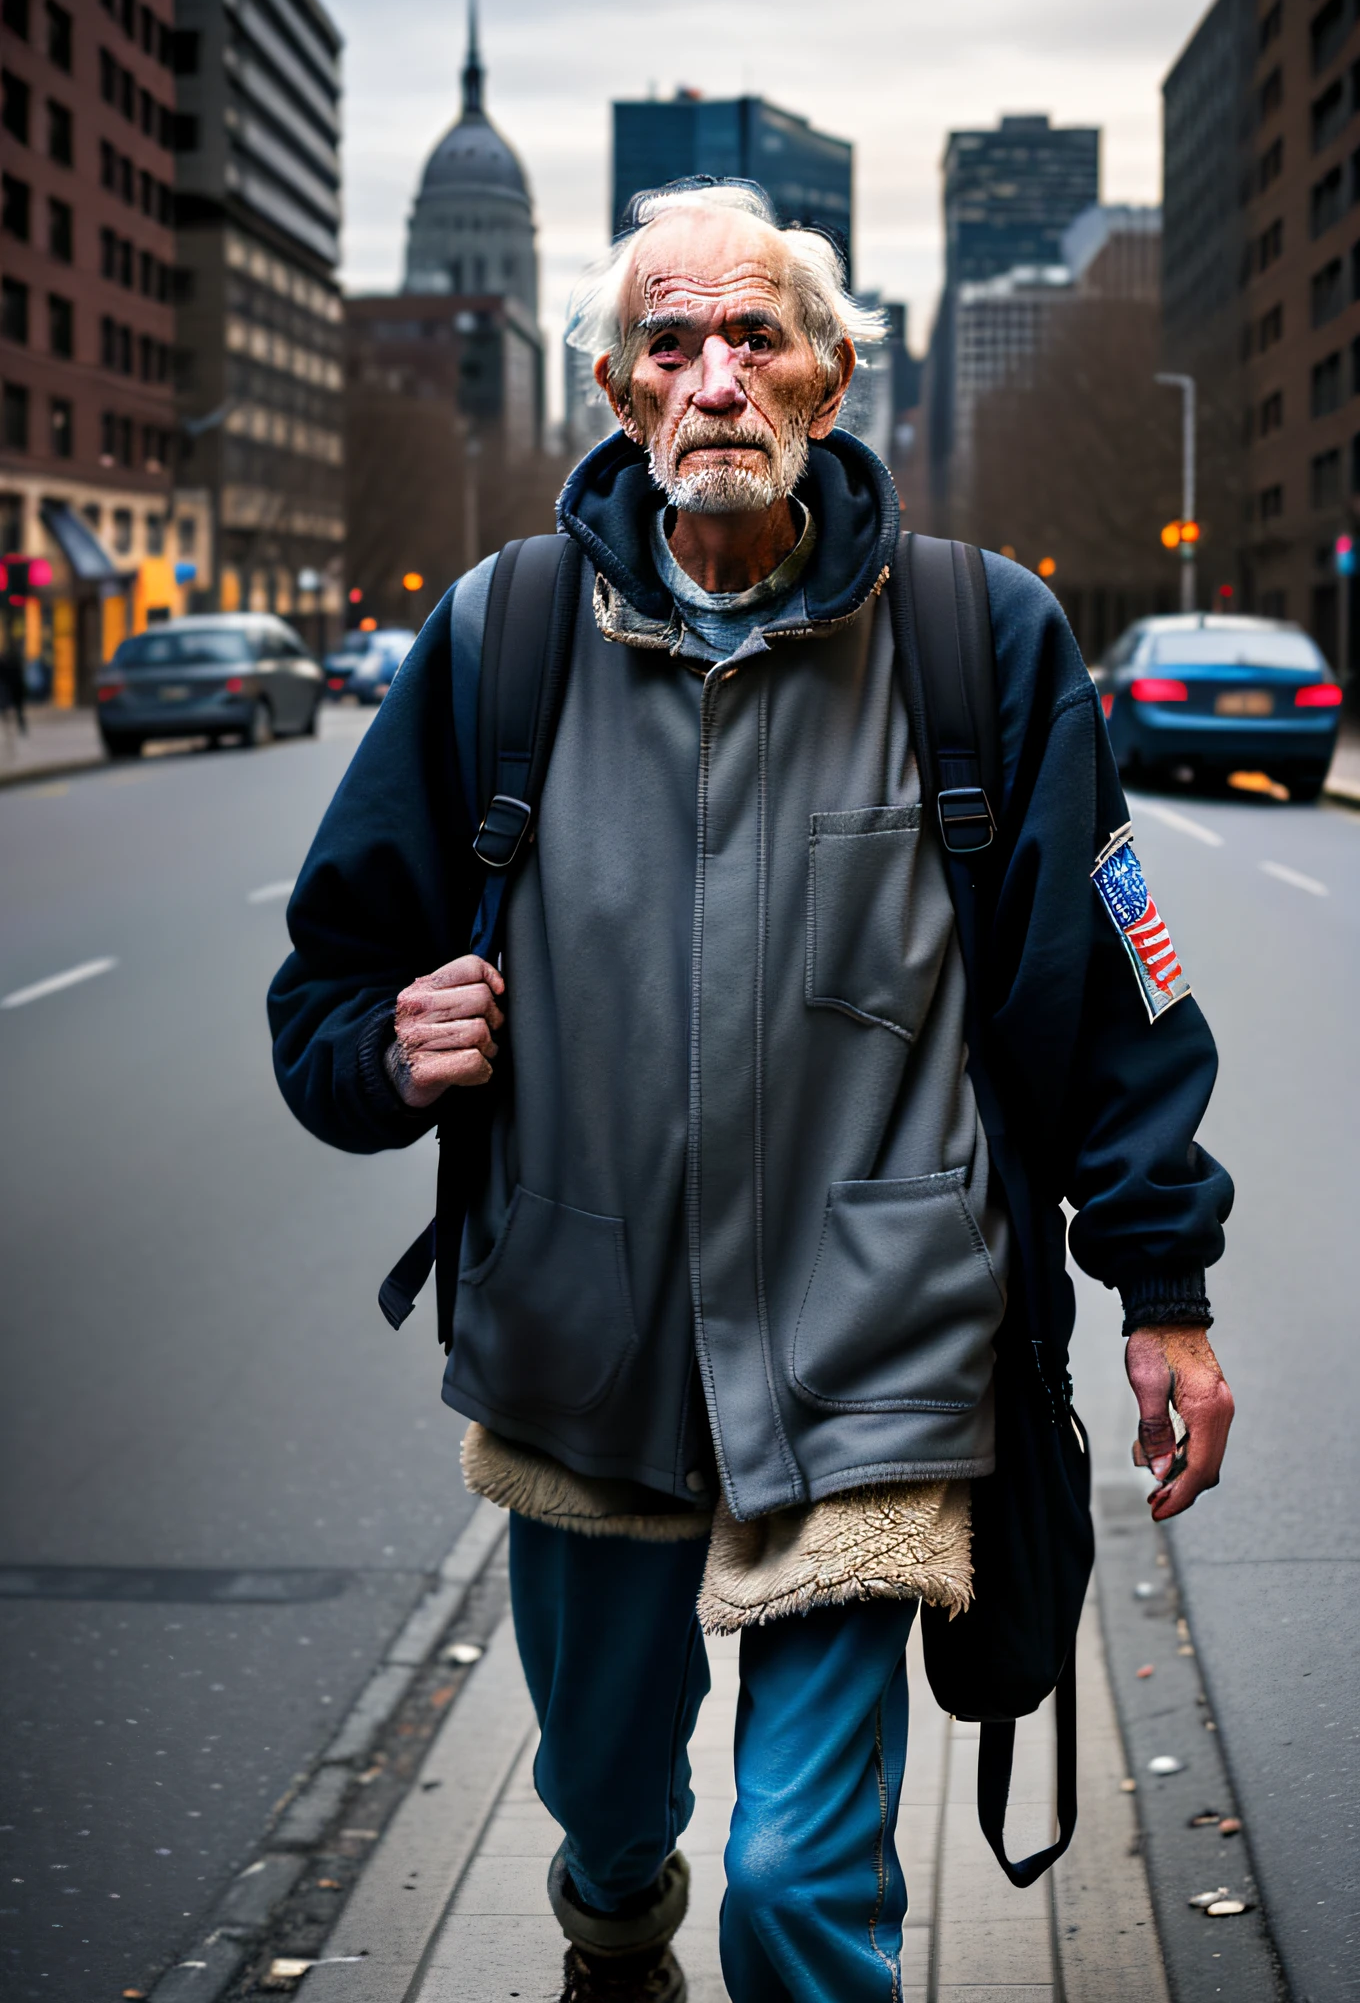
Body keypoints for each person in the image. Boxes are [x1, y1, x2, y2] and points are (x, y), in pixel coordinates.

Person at [269, 181, 1235, 2003]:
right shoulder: (502, 640)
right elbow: (327, 980)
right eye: (671, 344)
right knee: (608, 1810)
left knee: (802, 1884)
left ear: (833, 376)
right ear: (625, 401)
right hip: (580, 1347)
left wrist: (1163, 1291)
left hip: (869, 1348)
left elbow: (1116, 997)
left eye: (757, 335)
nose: (717, 376)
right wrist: (390, 1049)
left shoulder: (985, 645)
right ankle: (611, 1934)